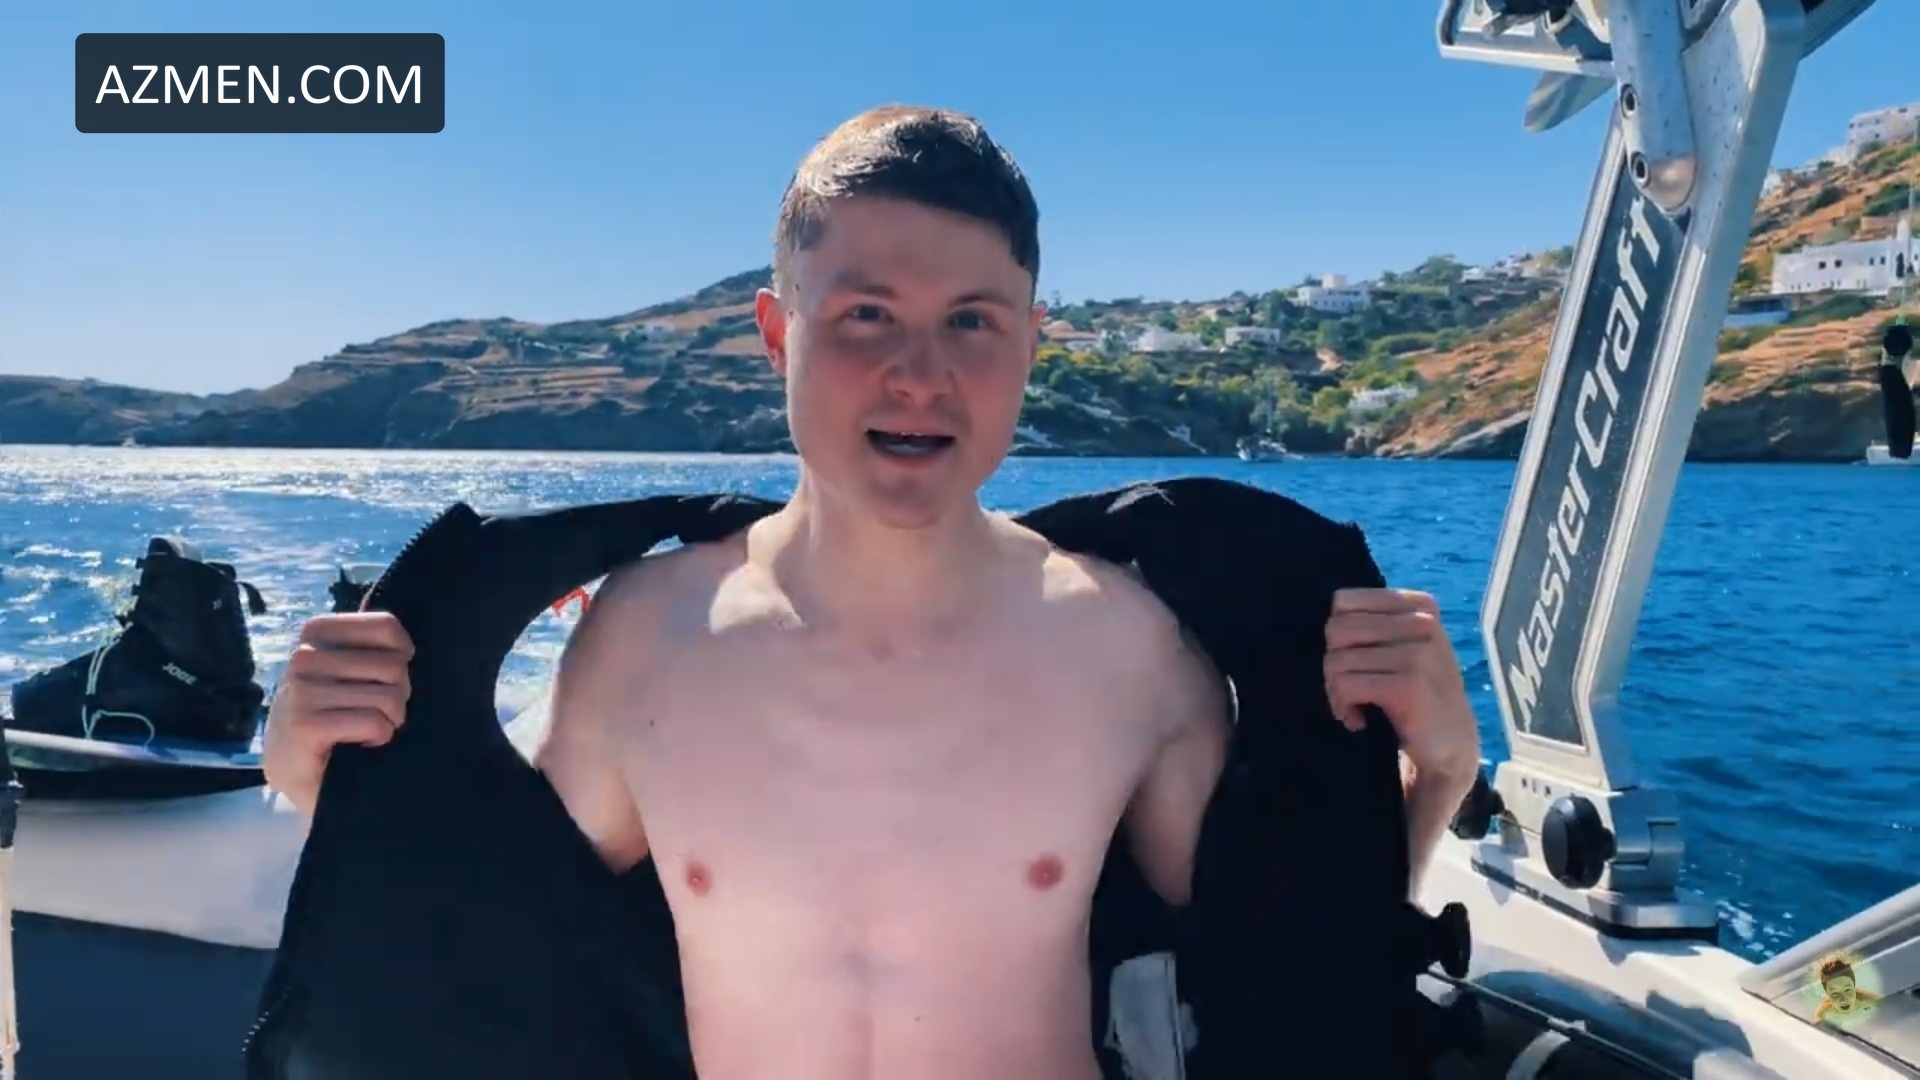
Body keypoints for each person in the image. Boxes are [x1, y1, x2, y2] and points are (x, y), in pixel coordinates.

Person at [262, 105, 1483, 1080]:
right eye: (865, 316)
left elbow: (1280, 953)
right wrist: (321, 770)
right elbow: (491, 937)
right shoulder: (644, 637)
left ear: (1031, 340)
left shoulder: (1130, 648)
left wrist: (1435, 773)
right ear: (777, 334)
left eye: (971, 322)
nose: (918, 375)